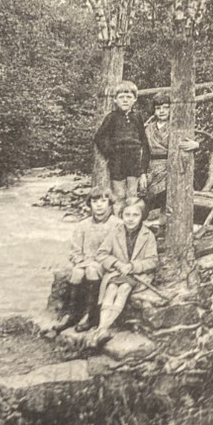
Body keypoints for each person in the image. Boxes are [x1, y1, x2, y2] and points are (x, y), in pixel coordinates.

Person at [49, 191, 118, 334]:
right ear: (90, 205)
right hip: (86, 263)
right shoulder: (83, 225)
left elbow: (119, 251)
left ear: (110, 204)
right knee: (77, 271)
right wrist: (80, 260)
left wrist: (98, 262)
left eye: (103, 201)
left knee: (91, 269)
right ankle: (71, 314)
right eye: (94, 202)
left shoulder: (117, 224)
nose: (99, 205)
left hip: (107, 264)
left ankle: (90, 315)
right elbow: (75, 251)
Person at [93, 197, 159, 343]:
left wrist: (132, 266)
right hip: (117, 272)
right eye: (127, 215)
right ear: (121, 215)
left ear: (142, 216)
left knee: (123, 288)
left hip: (137, 275)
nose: (130, 219)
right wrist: (117, 264)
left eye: (135, 215)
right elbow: (101, 254)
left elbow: (153, 260)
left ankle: (103, 328)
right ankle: (102, 328)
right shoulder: (115, 232)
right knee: (110, 288)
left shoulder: (148, 236)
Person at [93, 80, 150, 211]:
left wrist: (143, 170)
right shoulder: (112, 117)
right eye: (121, 97)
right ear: (115, 100)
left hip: (134, 160)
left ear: (135, 99)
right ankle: (118, 223)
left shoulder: (137, 117)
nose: (125, 100)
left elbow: (143, 141)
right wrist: (110, 152)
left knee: (132, 195)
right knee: (119, 195)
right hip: (117, 161)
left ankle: (130, 223)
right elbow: (99, 137)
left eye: (129, 97)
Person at [143, 94, 171, 209]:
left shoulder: (176, 126)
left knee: (167, 197)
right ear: (154, 110)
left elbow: (187, 142)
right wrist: (142, 173)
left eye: (165, 107)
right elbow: (144, 153)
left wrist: (196, 144)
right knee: (148, 198)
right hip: (152, 167)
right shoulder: (148, 129)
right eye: (158, 108)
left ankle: (163, 223)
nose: (162, 111)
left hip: (169, 166)